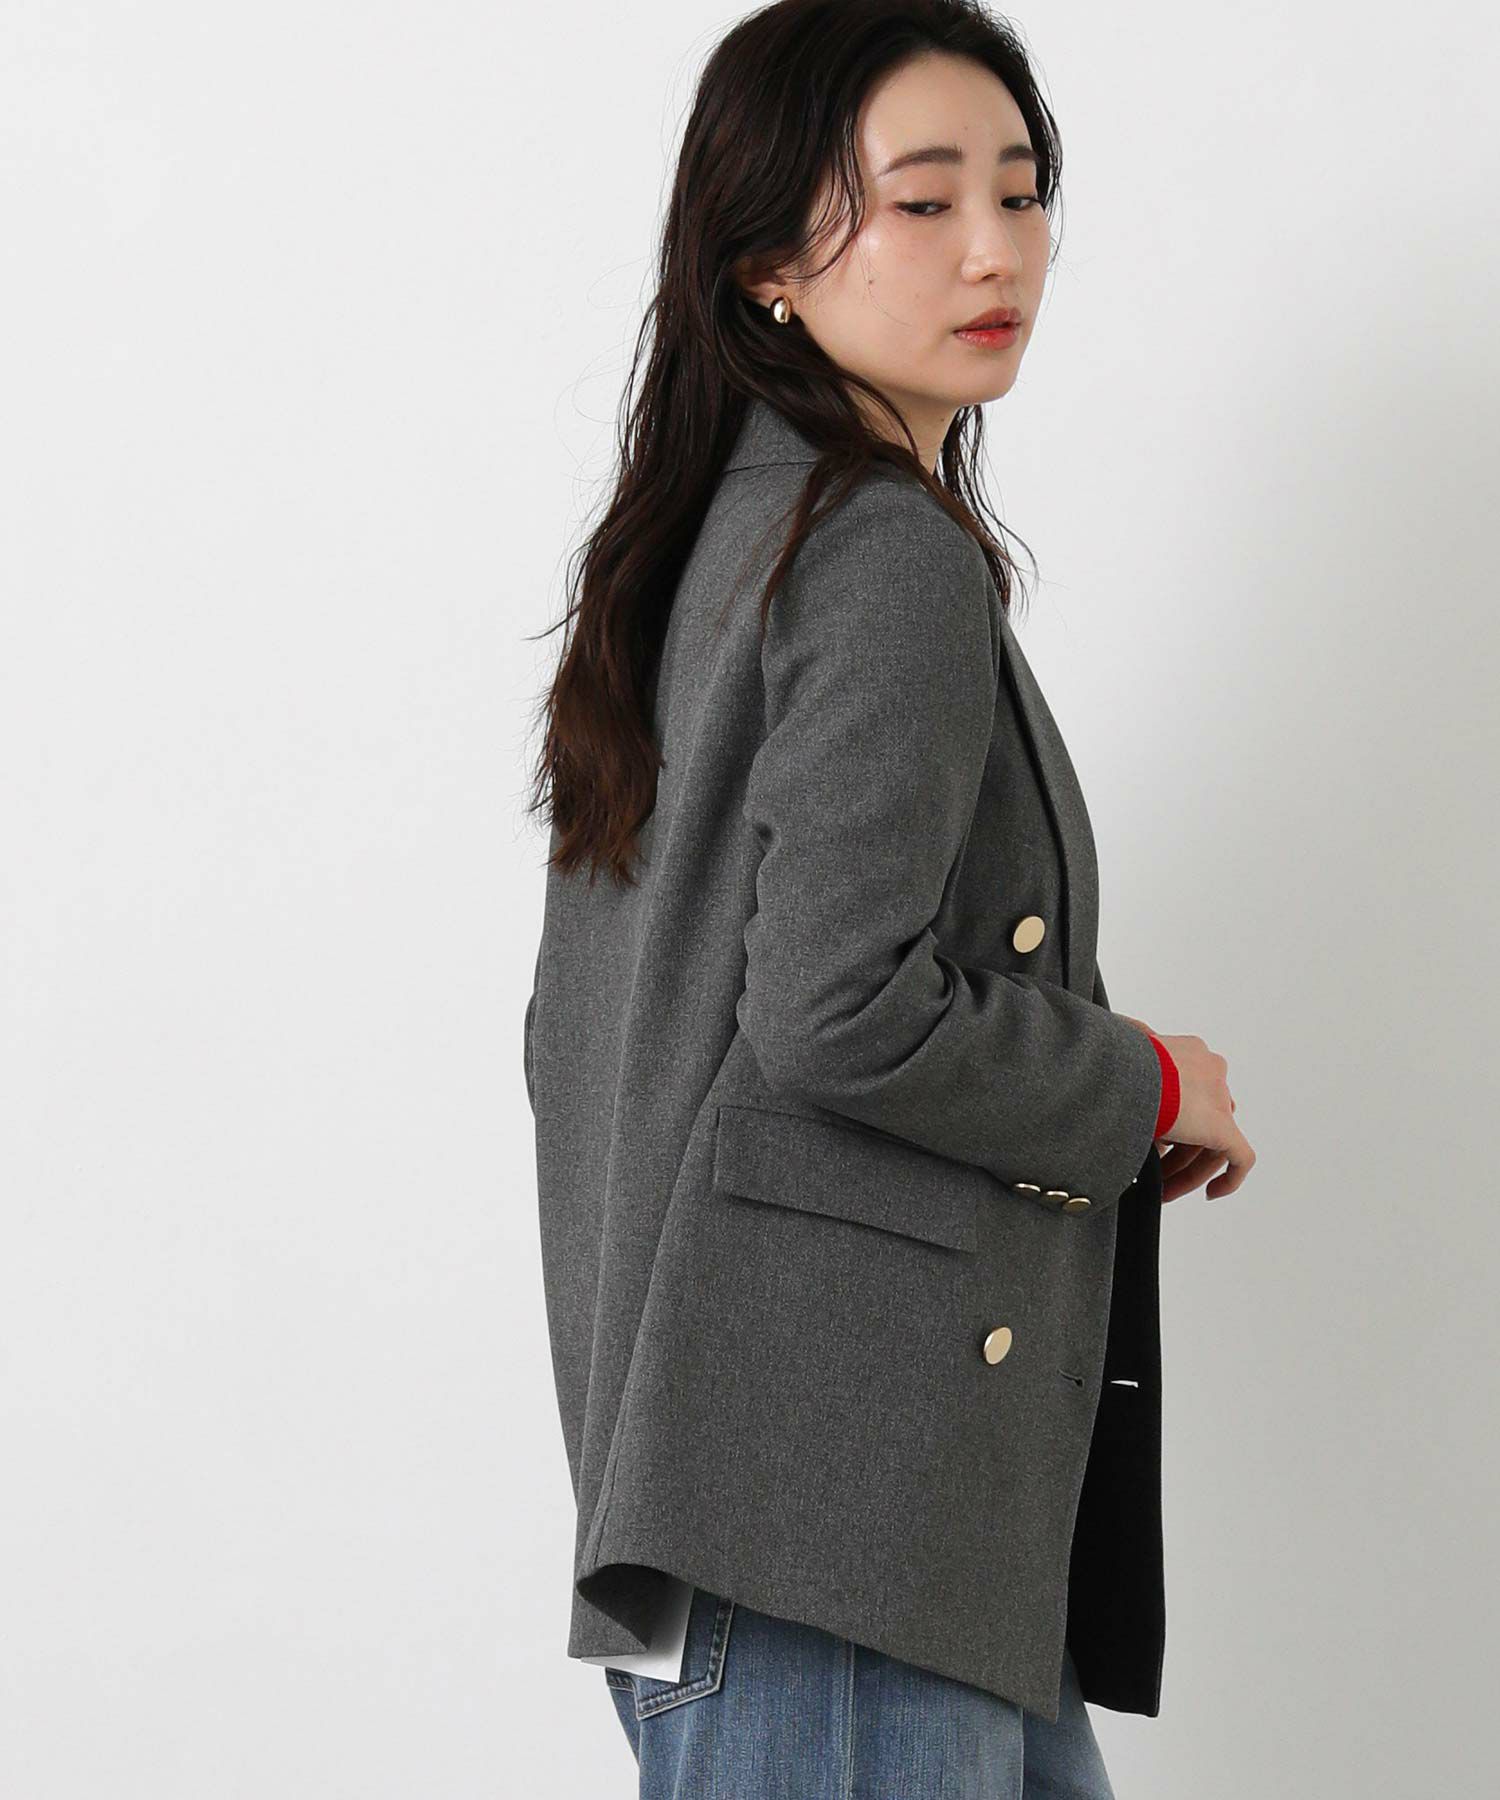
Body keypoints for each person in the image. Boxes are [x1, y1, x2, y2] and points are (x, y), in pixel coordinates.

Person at [523, 1, 1255, 1793]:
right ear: (766, 261)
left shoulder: (710, 542)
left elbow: (578, 1044)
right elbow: (836, 1007)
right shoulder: (874, 555)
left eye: (1021, 190)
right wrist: (1143, 1082)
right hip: (845, 1533)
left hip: (799, 1522)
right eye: (923, 203)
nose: (995, 249)